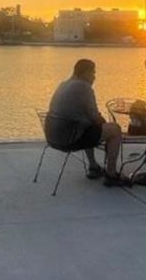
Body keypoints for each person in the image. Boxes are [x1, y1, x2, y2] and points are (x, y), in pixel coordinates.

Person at [45, 59, 129, 187]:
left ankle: (93, 166)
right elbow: (95, 117)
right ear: (85, 72)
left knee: (87, 125)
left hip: (52, 137)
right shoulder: (83, 87)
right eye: (93, 73)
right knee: (115, 130)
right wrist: (105, 123)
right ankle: (111, 174)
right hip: (69, 139)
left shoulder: (63, 84)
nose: (94, 76)